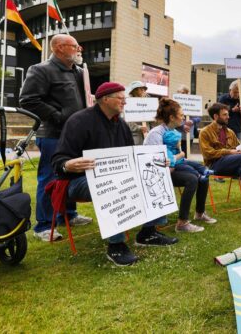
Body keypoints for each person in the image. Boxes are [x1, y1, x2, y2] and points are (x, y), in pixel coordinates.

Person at [51, 82, 178, 266]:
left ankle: (148, 233)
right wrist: (68, 164)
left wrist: (155, 162)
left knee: (152, 175)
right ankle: (116, 245)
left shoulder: (122, 126)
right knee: (115, 184)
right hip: (76, 180)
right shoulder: (78, 121)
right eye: (121, 98)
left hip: (113, 177)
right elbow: (58, 161)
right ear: (105, 99)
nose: (124, 102)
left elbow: (132, 157)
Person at [19, 34, 92, 242]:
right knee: (50, 177)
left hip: (76, 135)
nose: (79, 49)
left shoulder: (79, 72)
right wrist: (58, 117)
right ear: (59, 48)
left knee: (73, 174)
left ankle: (68, 214)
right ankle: (43, 225)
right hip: (53, 134)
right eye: (75, 46)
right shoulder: (41, 70)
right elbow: (28, 100)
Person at [144, 97, 216, 233]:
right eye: (181, 115)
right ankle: (182, 223)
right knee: (192, 178)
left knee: (203, 176)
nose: (183, 118)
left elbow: (172, 159)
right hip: (159, 174)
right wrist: (179, 156)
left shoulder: (171, 131)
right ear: (172, 117)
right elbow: (159, 163)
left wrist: (177, 157)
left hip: (172, 167)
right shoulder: (156, 134)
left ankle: (199, 213)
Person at [176, 84, 200, 157]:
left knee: (186, 155)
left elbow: (198, 118)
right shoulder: (174, 105)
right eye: (181, 93)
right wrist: (182, 126)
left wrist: (192, 121)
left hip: (189, 135)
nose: (183, 94)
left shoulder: (193, 103)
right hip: (177, 135)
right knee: (178, 156)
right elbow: (172, 119)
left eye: (185, 93)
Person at [125, 80, 150, 145]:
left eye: (144, 89)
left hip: (147, 135)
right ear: (135, 90)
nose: (143, 91)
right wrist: (138, 127)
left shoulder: (147, 103)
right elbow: (127, 122)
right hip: (135, 136)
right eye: (141, 89)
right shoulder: (128, 103)